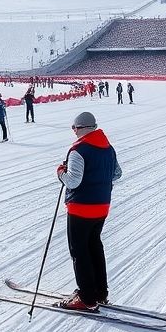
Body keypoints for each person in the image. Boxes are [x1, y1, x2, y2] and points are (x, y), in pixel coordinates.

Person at [54, 110, 121, 311]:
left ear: (82, 128)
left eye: (74, 128)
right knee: (94, 247)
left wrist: (60, 173)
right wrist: (99, 181)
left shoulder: (78, 151)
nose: (73, 131)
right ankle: (100, 292)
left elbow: (73, 181)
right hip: (102, 206)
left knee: (79, 251)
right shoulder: (108, 148)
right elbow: (117, 174)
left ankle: (87, 298)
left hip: (81, 208)